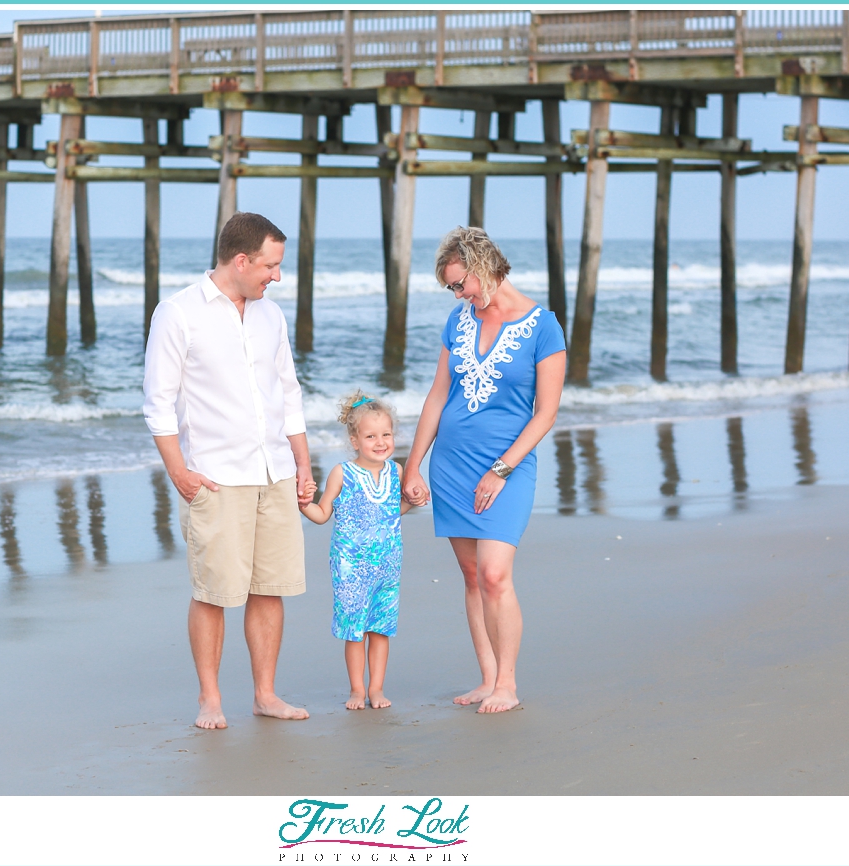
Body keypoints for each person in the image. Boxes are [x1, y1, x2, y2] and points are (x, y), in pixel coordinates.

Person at [143, 212, 313, 730]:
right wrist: (179, 471)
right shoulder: (178, 314)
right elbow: (158, 401)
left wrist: (303, 462)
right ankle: (210, 699)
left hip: (275, 471)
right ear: (241, 261)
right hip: (215, 476)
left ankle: (265, 694)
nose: (276, 277)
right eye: (271, 266)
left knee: (270, 587)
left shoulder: (271, 317)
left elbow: (288, 392)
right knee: (213, 591)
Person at [401, 227, 566, 714]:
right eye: (452, 288)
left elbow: (546, 413)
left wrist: (501, 469)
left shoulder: (543, 325)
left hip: (505, 468)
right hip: (451, 465)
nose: (458, 295)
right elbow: (437, 396)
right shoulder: (459, 320)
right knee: (473, 576)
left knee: (495, 574)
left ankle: (508, 685)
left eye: (460, 284)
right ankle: (488, 677)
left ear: (485, 267)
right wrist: (414, 465)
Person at [300, 392, 418, 711]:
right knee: (355, 630)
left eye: (386, 435)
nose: (380, 442)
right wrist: (303, 505)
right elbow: (323, 514)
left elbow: (393, 509)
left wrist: (414, 501)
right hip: (350, 566)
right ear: (354, 440)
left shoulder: (395, 471)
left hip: (388, 564)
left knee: (380, 628)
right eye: (370, 436)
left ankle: (376, 689)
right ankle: (356, 689)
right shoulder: (342, 473)